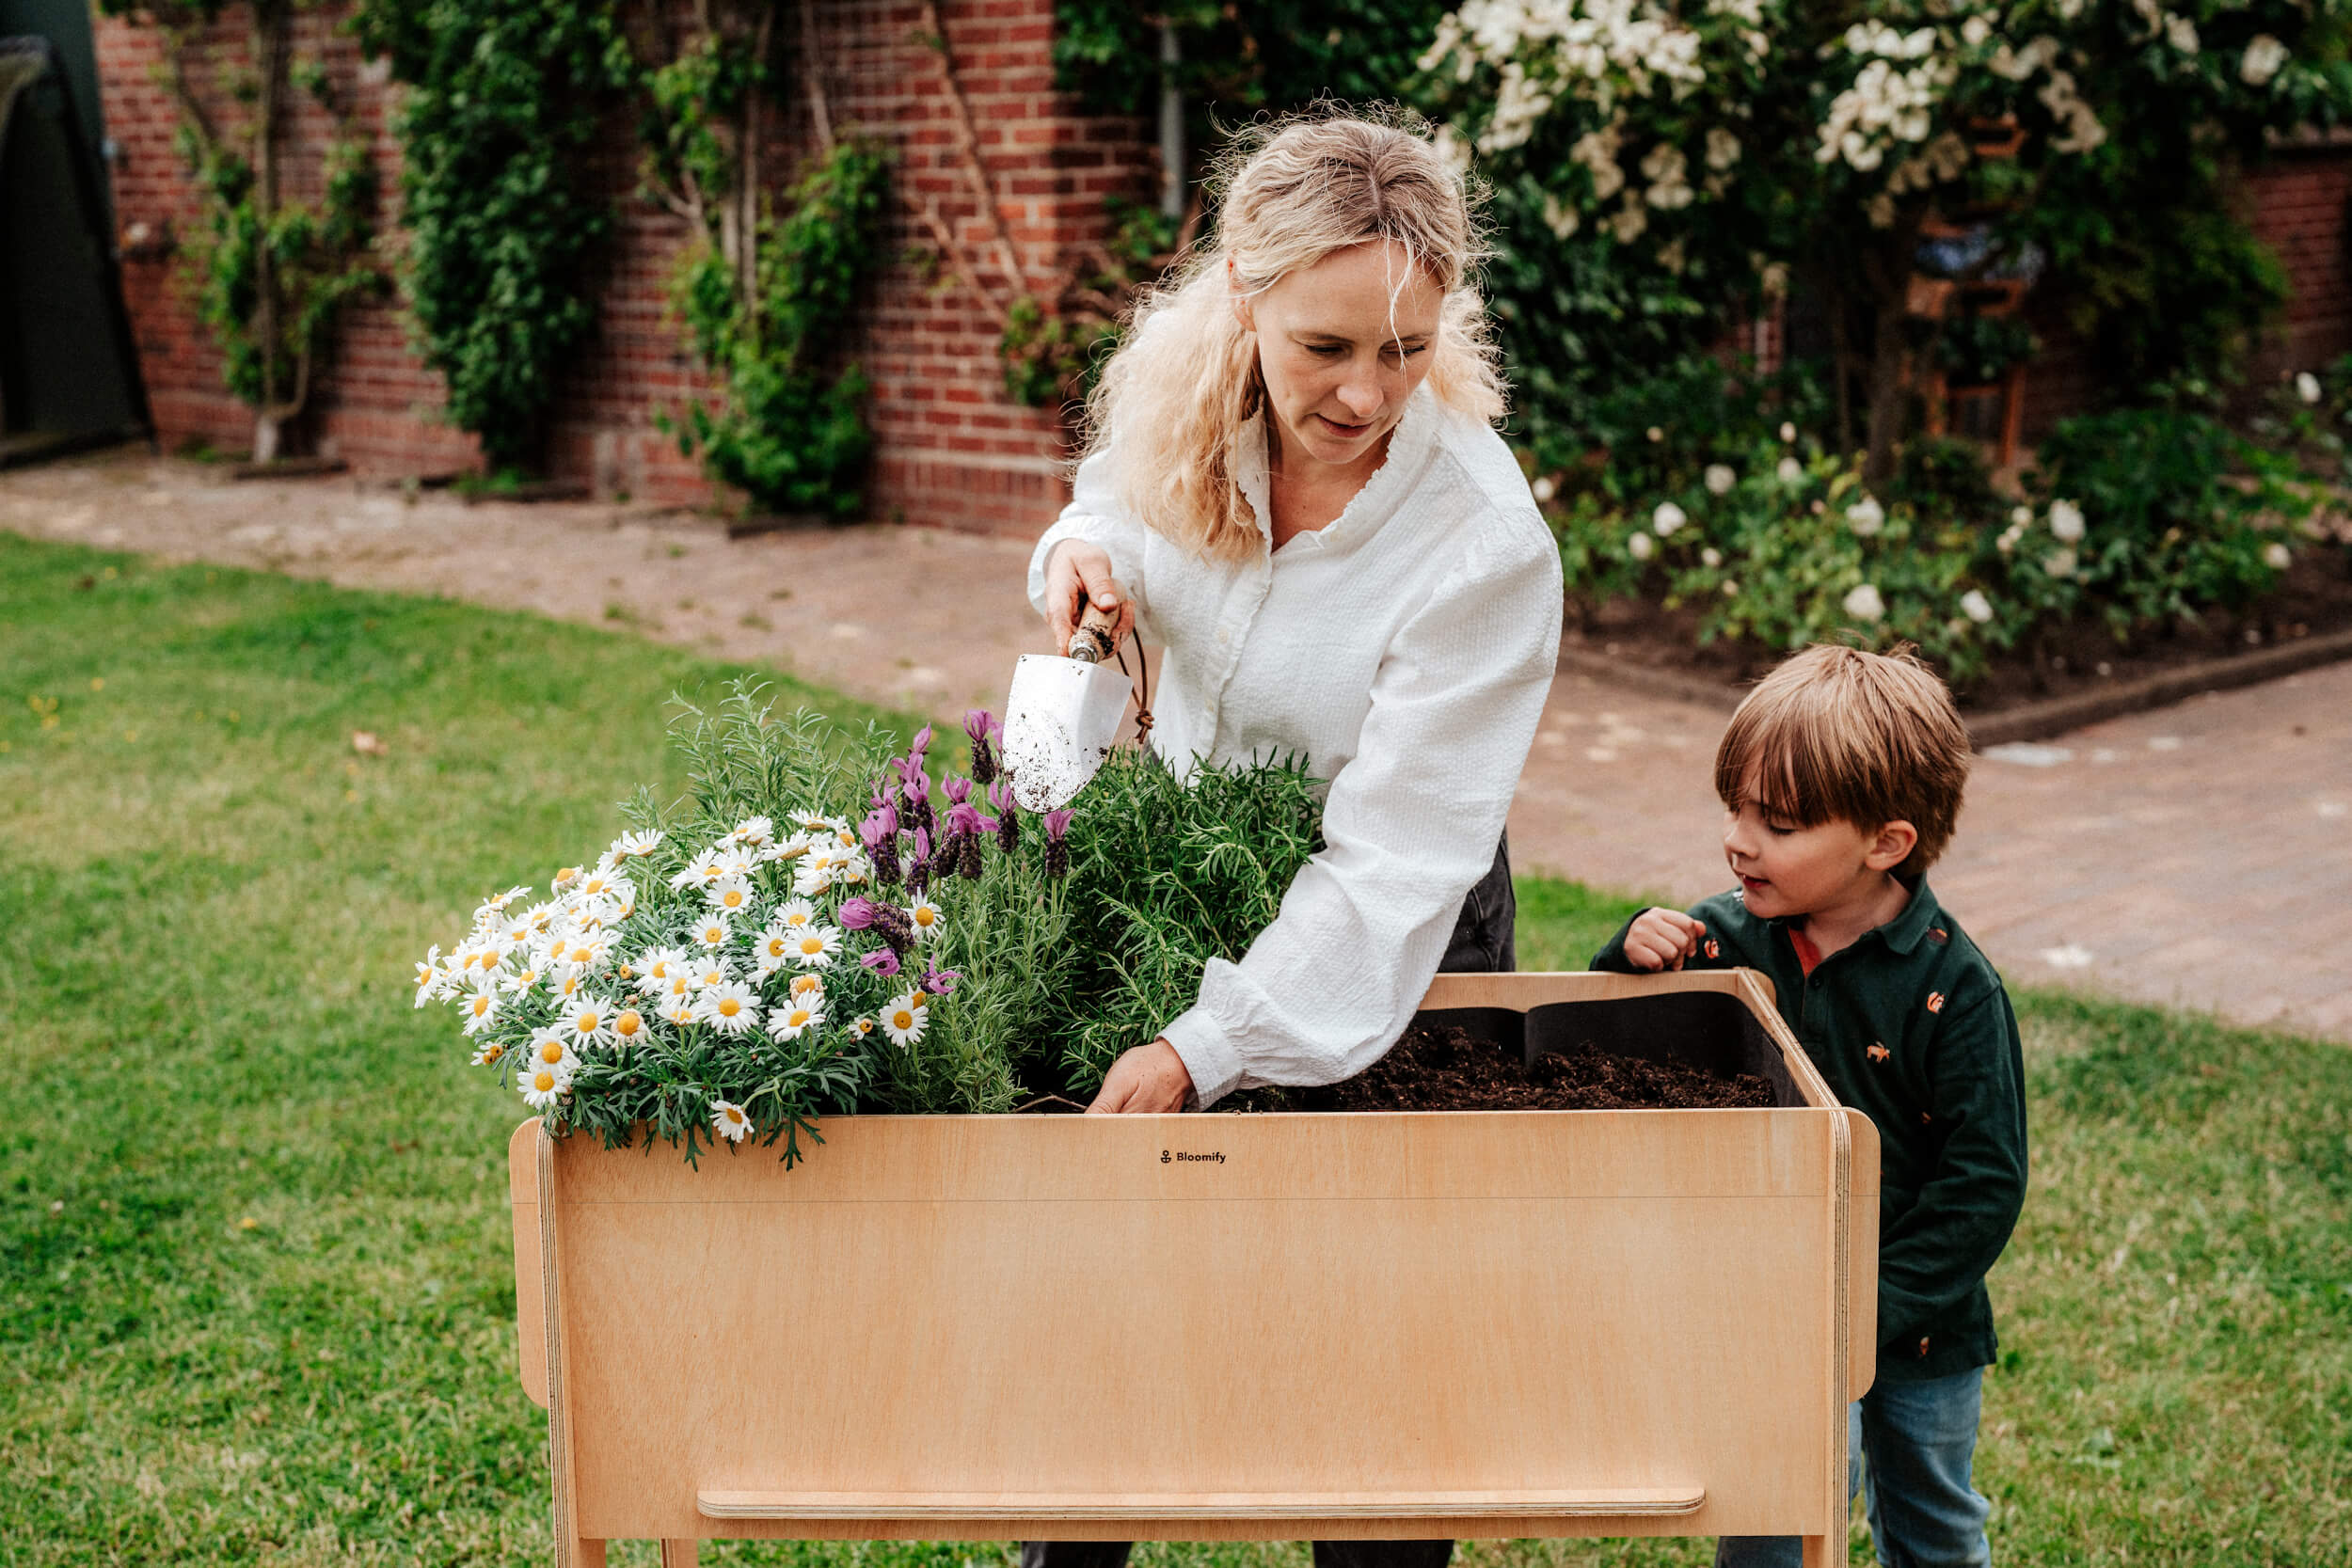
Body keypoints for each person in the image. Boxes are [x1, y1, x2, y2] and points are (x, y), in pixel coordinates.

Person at [1022, 111, 1562, 1568]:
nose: (1368, 392)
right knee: (1110, 1331)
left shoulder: (1482, 542)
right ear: (1241, 298)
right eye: (1327, 347)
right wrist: (1078, 561)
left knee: (1368, 1362)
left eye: (1403, 347)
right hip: (1184, 886)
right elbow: (1105, 510)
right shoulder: (1183, 401)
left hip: (1395, 938)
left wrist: (1214, 1042)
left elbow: (1389, 865)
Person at [1590, 643, 2027, 1568]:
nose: (1738, 840)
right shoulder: (1722, 942)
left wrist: (1865, 1313)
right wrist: (1624, 957)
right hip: (1762, 1308)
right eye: (1734, 809)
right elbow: (1608, 1058)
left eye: (1778, 823)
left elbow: (1983, 1180)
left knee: (1934, 1519)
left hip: (1915, 1325)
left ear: (1886, 842)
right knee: (1768, 1517)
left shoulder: (1954, 986)